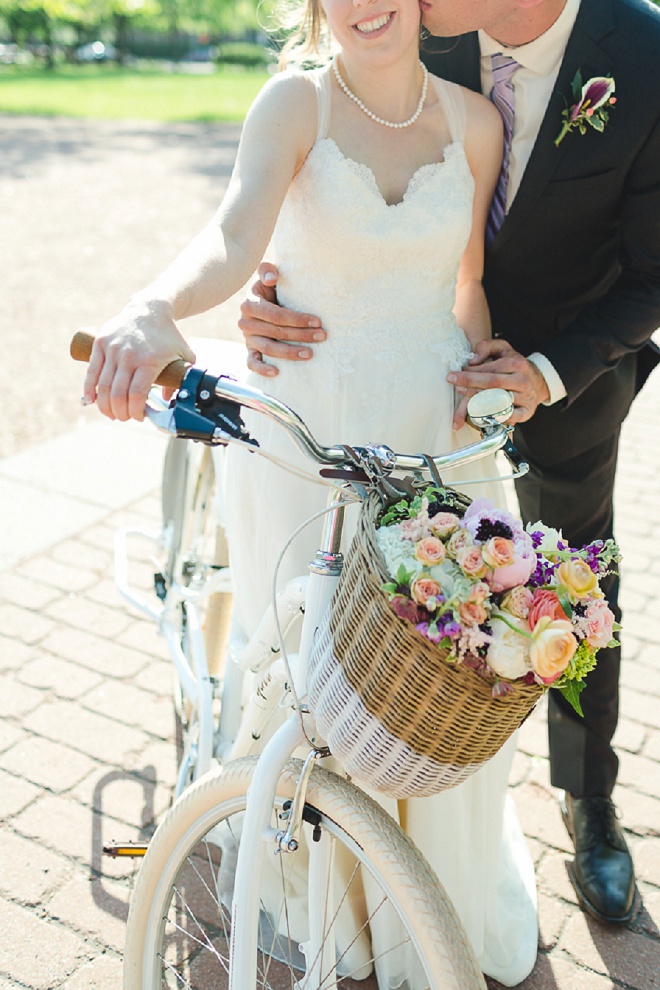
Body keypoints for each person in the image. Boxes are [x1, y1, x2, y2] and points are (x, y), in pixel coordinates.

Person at [82, 0, 542, 983]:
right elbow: (233, 232)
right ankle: (331, 897)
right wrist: (155, 307)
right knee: (318, 679)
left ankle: (430, 901)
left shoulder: (475, 121)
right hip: (311, 436)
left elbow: (465, 287)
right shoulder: (293, 103)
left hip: (438, 437)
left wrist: (488, 375)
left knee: (437, 675)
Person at [238, 0, 660, 929]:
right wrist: (278, 281)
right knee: (388, 606)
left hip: (569, 368)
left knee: (572, 579)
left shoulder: (644, 46)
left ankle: (591, 805)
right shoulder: (412, 19)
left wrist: (547, 376)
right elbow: (307, 160)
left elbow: (654, 270)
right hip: (407, 373)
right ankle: (364, 812)